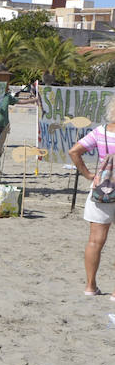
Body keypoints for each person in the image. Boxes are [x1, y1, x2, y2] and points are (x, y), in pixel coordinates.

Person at [69, 99, 115, 296]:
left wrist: (88, 174)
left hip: (103, 188)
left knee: (95, 241)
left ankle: (90, 286)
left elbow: (74, 151)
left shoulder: (101, 131)